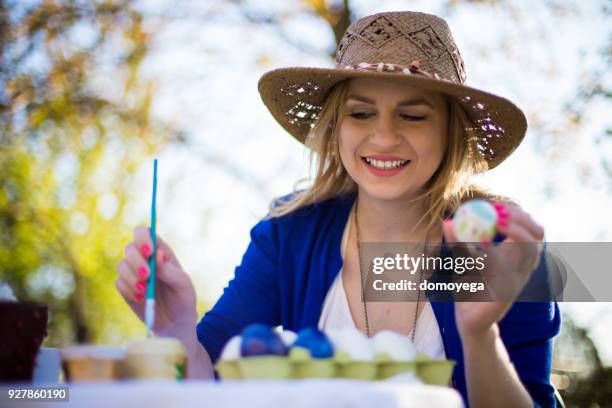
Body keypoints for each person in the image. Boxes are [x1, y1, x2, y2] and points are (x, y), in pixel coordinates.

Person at [115, 11, 560, 408]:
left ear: (451, 131)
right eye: (361, 114)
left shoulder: (507, 253)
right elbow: (211, 385)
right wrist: (177, 332)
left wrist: (481, 337)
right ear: (336, 125)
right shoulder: (287, 237)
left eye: (413, 115)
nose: (383, 138)